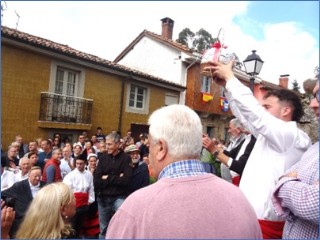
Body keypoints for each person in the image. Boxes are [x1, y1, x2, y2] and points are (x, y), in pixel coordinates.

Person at [106, 104, 262, 239]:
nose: (149, 153)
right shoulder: (240, 199)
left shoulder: (134, 209)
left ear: (161, 148)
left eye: (150, 146)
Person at [207, 60, 311, 238]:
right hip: (251, 220)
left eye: (267, 107)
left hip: (267, 228)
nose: (261, 111)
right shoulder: (272, 136)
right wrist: (227, 87)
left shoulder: (293, 136)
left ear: (286, 110)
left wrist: (231, 78)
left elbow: (256, 115)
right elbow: (246, 116)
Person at [272, 80, 319, 239]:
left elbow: (314, 204)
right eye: (313, 96)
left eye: (319, 96)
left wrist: (284, 184)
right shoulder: (315, 148)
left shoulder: (291, 133)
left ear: (285, 110)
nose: (313, 104)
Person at [93, 132, 133, 238]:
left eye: (109, 144)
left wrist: (108, 177)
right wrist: (117, 177)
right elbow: (96, 180)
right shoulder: (103, 158)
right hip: (103, 199)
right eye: (106, 144)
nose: (107, 147)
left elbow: (126, 181)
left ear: (117, 144)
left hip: (119, 198)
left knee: (123, 226)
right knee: (103, 230)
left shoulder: (126, 159)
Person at [1, 166, 45, 238]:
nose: (37, 178)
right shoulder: (19, 186)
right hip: (23, 219)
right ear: (29, 176)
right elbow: (3, 193)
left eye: (39, 176)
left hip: (41, 219)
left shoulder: (45, 185)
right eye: (35, 176)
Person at [63, 156, 95, 238]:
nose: (79, 165)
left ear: (85, 164)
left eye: (81, 164)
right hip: (74, 204)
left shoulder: (89, 174)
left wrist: (90, 200)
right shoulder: (70, 175)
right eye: (77, 163)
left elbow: (91, 188)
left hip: (84, 204)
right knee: (72, 225)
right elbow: (66, 190)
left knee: (80, 225)